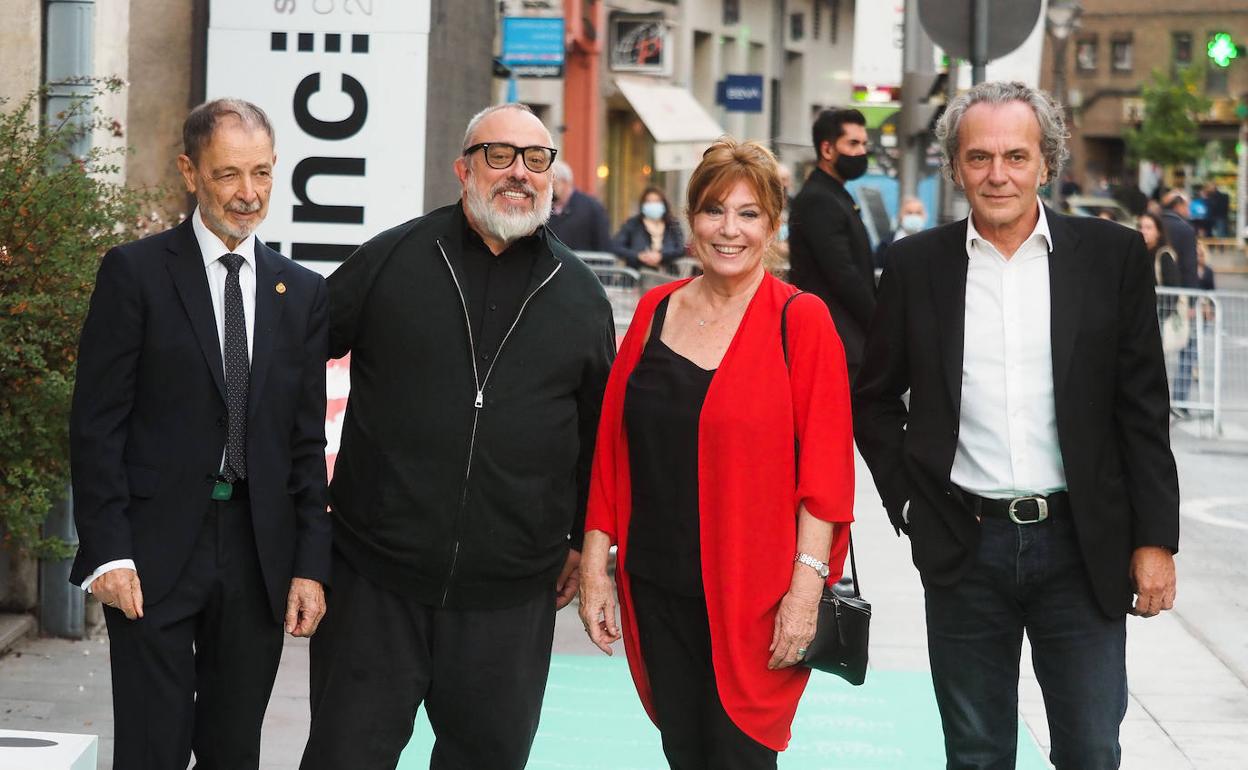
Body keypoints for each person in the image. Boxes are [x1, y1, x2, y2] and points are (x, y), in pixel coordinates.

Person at [853, 81, 1179, 770]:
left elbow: (1142, 407)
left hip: (1081, 545)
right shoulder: (916, 266)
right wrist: (910, 504)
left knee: (1091, 750)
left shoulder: (1110, 257)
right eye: (978, 158)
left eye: (1015, 156)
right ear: (955, 166)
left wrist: (1154, 538)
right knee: (976, 754)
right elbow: (874, 399)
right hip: (964, 544)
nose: (997, 174)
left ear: (1046, 163)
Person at [300, 103, 615, 770]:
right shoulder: (391, 259)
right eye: (500, 155)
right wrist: (304, 514)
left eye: (537, 160)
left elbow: (597, 438)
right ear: (462, 168)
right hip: (374, 583)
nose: (520, 174)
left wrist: (578, 543)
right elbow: (291, 364)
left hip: (510, 597)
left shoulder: (580, 295)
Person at [70, 99, 331, 769]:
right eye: (228, 175)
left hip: (257, 554)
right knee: (152, 750)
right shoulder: (134, 274)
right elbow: (97, 425)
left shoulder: (299, 293)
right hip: (151, 555)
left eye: (263, 174)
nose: (249, 194)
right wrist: (107, 551)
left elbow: (304, 444)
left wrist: (309, 564)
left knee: (232, 751)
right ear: (190, 171)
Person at [578, 138, 855, 769]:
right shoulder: (654, 310)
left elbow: (828, 476)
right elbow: (612, 453)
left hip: (754, 601)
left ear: (773, 226)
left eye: (749, 213)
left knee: (739, 758)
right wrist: (596, 568)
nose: (729, 230)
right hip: (655, 587)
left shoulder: (801, 321)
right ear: (690, 219)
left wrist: (804, 597)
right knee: (684, 754)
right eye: (713, 210)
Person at [788, 107, 876, 382]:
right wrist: (878, 323)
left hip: (844, 337)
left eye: (863, 143)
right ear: (827, 149)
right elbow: (843, 275)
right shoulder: (820, 199)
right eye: (852, 143)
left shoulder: (834, 193)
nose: (861, 151)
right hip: (837, 338)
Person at [611, 186, 687, 270]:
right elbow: (616, 246)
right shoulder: (633, 224)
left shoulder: (673, 224)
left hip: (668, 275)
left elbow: (681, 248)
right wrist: (638, 256)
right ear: (643, 204)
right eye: (649, 201)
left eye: (656, 201)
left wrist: (661, 256)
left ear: (663, 204)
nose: (653, 205)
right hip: (637, 276)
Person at [547, 159, 612, 252]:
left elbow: (603, 244)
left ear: (565, 182)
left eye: (553, 182)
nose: (550, 187)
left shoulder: (591, 208)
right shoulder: (545, 208)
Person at [875, 195, 928, 268]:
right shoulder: (886, 244)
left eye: (918, 213)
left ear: (925, 216)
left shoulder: (931, 242)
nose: (913, 216)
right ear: (900, 215)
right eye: (909, 213)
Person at [1160, 190, 1199, 288]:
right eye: (1187, 206)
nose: (1189, 211)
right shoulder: (1185, 229)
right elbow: (1189, 266)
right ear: (1178, 206)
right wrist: (1192, 296)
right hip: (1177, 285)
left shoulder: (1154, 224)